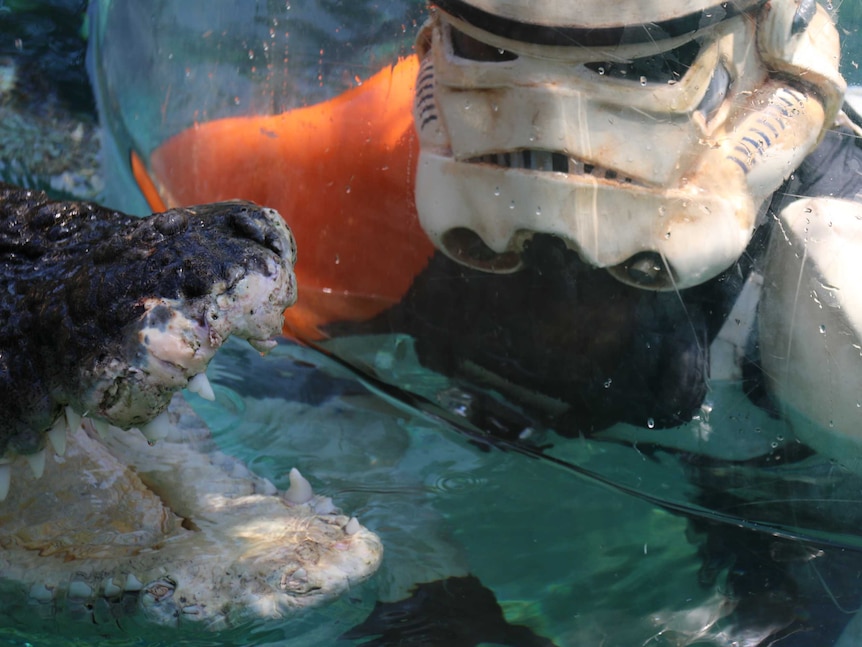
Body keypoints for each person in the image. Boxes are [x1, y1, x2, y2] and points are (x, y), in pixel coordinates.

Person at [93, 1, 862, 643]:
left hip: (787, 492)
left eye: (635, 68)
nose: (556, 136)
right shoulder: (338, 186)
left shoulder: (833, 299)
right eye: (497, 56)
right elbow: (275, 376)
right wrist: (421, 574)